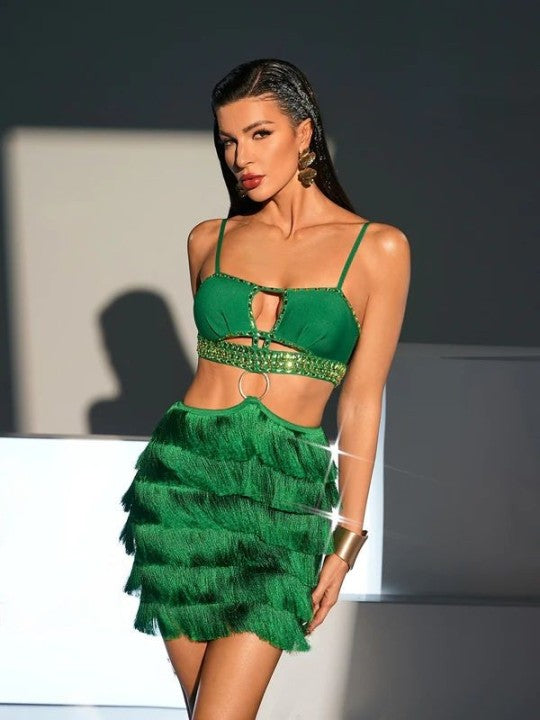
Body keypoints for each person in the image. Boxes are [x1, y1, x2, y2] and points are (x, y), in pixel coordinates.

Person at [119, 58, 410, 720]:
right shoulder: (208, 240)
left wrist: (347, 537)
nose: (240, 158)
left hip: (285, 497)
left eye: (259, 134)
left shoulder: (379, 249)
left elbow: (362, 399)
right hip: (183, 487)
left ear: (304, 134)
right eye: (228, 141)